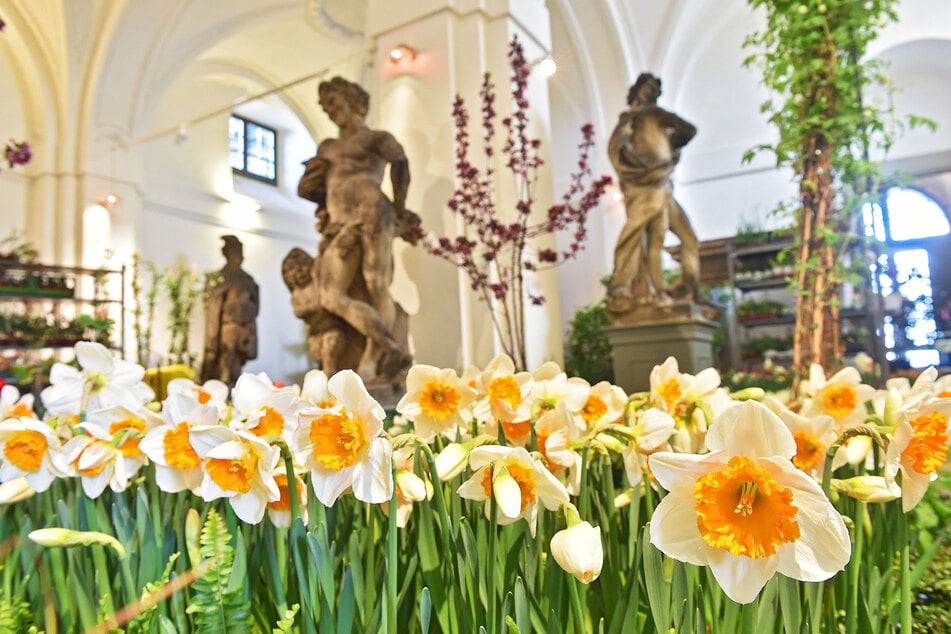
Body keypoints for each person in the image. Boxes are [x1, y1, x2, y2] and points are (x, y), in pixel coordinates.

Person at [297, 76, 417, 384]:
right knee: (330, 296)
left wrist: (400, 209)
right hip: (339, 223)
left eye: (334, 103)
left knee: (375, 283)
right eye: (325, 107)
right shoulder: (328, 146)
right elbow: (310, 186)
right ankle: (390, 344)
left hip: (373, 211)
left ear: (353, 100)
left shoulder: (375, 138)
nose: (329, 111)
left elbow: (400, 162)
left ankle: (371, 363)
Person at [607, 73, 700, 311]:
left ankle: (689, 290)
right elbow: (615, 151)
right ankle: (638, 290)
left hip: (661, 183)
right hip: (640, 186)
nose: (651, 93)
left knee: (685, 239)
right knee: (647, 237)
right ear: (637, 90)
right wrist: (636, 167)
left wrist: (671, 146)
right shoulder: (627, 122)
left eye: (655, 91)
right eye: (647, 88)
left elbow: (688, 130)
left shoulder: (655, 115)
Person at [201, 235, 259, 387]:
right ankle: (223, 387)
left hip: (244, 326)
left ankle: (233, 387)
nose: (240, 255)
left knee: (237, 365)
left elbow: (255, 304)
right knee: (225, 361)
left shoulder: (247, 279)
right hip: (228, 327)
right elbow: (214, 308)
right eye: (235, 251)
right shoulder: (221, 278)